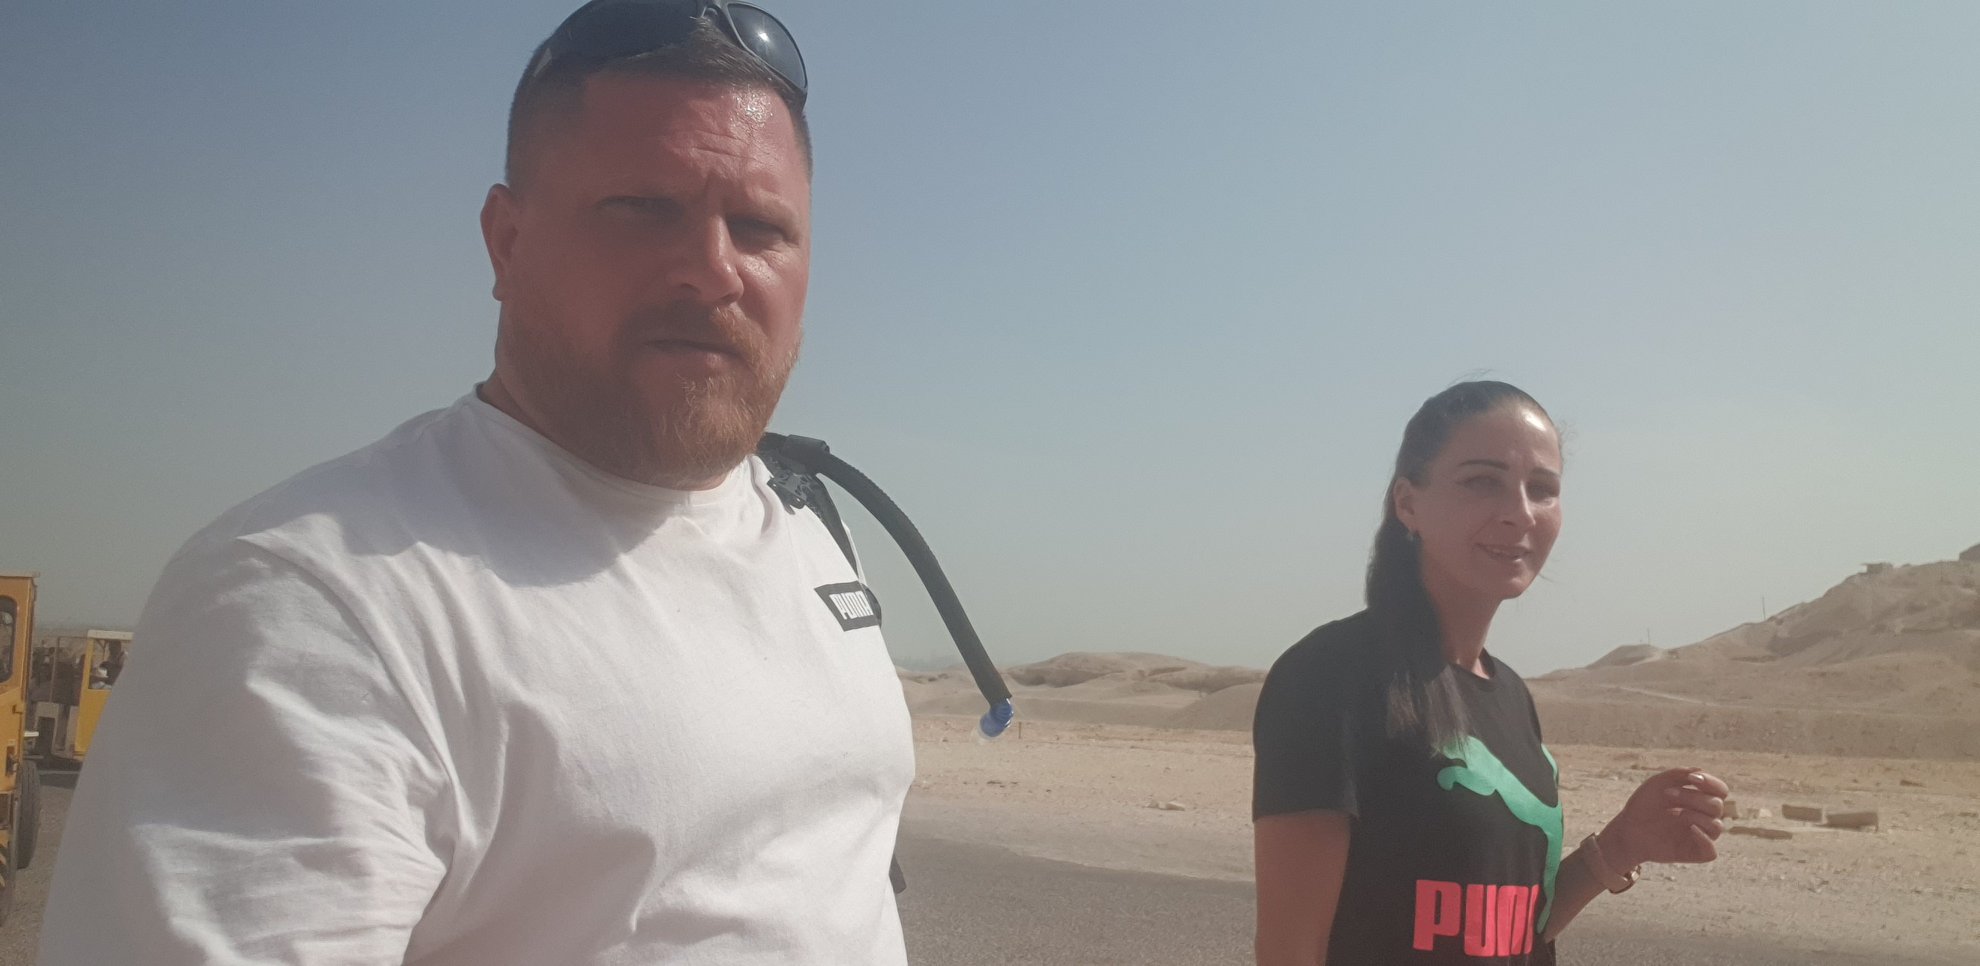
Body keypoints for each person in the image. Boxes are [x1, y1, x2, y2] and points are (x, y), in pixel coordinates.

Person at [40, 3, 916, 964]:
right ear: (507, 242)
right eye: (642, 209)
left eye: (760, 227)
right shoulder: (315, 606)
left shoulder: (808, 527)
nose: (713, 271)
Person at [1251, 381, 1730, 965]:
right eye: (1482, 482)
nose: (1519, 512)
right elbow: (1290, 950)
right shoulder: (1332, 675)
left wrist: (1624, 842)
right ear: (1408, 503)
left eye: (1543, 489)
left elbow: (1512, 931)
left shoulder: (1510, 696)